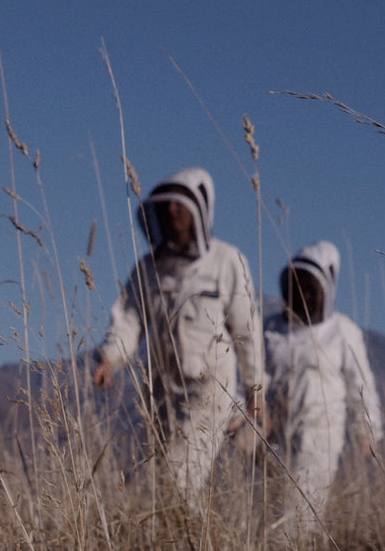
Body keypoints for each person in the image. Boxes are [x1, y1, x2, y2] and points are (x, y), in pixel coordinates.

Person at [92, 166, 269, 511]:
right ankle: (194, 531)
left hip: (209, 389)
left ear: (200, 211)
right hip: (161, 391)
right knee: (163, 478)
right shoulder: (148, 269)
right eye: (166, 206)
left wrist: (256, 389)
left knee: (180, 478)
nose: (172, 212)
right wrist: (109, 359)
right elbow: (129, 318)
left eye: (180, 205)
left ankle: (238, 420)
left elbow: (247, 329)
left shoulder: (227, 261)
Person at [263, 240, 384, 541]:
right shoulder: (270, 329)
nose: (303, 296)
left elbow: (361, 384)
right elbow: (251, 375)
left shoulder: (343, 331)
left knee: (298, 515)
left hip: (319, 436)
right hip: (272, 435)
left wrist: (367, 430)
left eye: (311, 289)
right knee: (269, 509)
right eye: (298, 287)